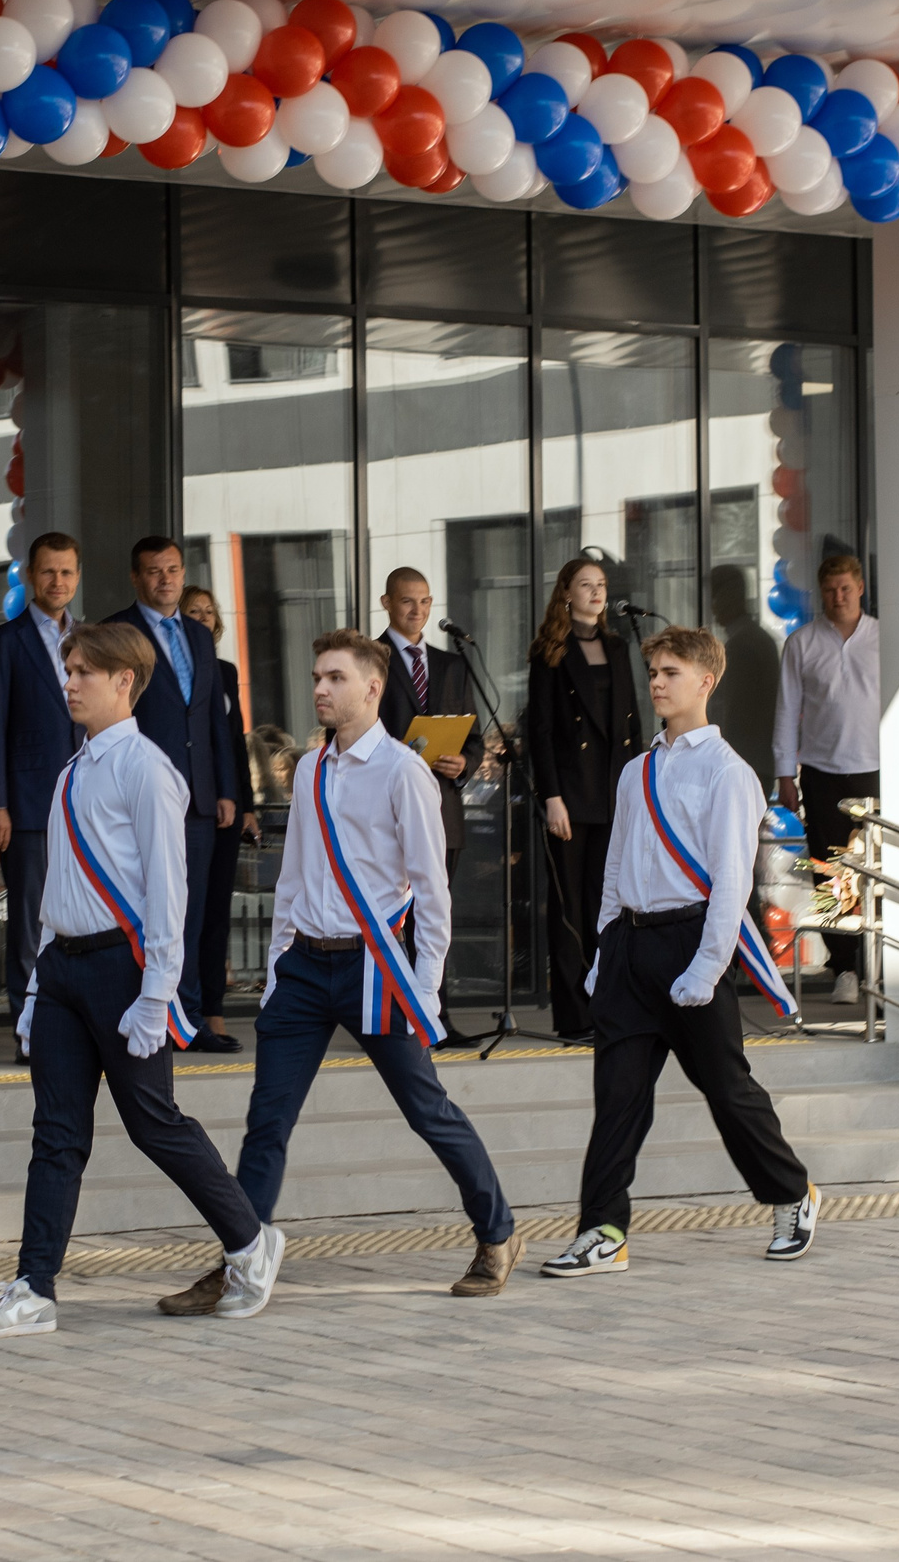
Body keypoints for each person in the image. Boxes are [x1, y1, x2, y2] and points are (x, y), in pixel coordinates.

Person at [159, 631, 520, 1317]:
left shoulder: (402, 771)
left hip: (374, 965)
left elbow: (431, 887)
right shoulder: (312, 768)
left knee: (427, 1111)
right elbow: (293, 877)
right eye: (317, 676)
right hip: (303, 969)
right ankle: (241, 1260)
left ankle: (497, 1233)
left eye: (334, 677)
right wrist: (274, 970)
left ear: (371, 689)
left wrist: (424, 986)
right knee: (266, 1122)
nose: (320, 688)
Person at [0, 622, 282, 1340]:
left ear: (123, 683)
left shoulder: (146, 769)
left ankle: (251, 1243)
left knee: (153, 1124)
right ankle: (34, 1287)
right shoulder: (75, 769)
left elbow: (172, 892)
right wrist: (37, 986)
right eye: (68, 669)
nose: (69, 682)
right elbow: (57, 890)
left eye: (82, 672)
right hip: (66, 969)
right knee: (57, 1133)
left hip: (122, 968)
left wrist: (158, 993)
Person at [541, 626, 818, 1279]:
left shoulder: (728, 773)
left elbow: (731, 882)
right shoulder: (637, 770)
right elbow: (614, 865)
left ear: (706, 681)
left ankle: (791, 1195)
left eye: (671, 671)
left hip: (693, 942)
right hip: (631, 948)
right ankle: (603, 1231)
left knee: (726, 1089)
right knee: (618, 1098)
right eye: (653, 672)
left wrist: (706, 965)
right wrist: (607, 945)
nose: (657, 683)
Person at [107, 538, 234, 1033]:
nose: (165, 580)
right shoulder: (117, 632)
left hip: (200, 799)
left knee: (193, 911)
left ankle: (188, 1017)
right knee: (147, 906)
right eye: (154, 572)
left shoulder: (200, 637)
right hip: (142, 793)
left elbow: (210, 723)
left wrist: (224, 789)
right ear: (137, 578)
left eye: (174, 570)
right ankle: (147, 1011)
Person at [523, 560, 641, 1040]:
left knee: (606, 904)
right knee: (569, 906)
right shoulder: (549, 650)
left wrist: (637, 789)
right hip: (569, 796)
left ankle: (607, 1007)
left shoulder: (617, 644)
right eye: (586, 585)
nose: (596, 593)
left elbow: (630, 724)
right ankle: (574, 1015)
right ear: (566, 593)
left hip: (612, 793)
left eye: (602, 585)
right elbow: (541, 731)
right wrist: (551, 796)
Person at [0, 533, 81, 1066]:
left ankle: (75, 1023)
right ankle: (29, 1027)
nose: (57, 582)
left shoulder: (94, 639)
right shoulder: (6, 643)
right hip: (29, 804)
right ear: (29, 576)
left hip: (89, 807)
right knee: (29, 922)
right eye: (48, 572)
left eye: (66, 572)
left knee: (86, 918)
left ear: (77, 576)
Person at [775, 554, 879, 1005]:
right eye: (831, 590)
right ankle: (846, 968)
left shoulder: (884, 637)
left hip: (878, 769)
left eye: (846, 588)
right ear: (821, 593)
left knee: (882, 872)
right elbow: (786, 709)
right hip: (820, 772)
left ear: (860, 588)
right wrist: (785, 772)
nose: (838, 597)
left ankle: (884, 965)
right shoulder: (801, 643)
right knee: (829, 873)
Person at [180, 584, 259, 1051]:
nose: (204, 618)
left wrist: (244, 802)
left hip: (225, 809)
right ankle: (180, 1010)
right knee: (183, 915)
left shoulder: (225, 672)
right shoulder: (170, 668)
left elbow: (235, 740)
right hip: (185, 808)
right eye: (194, 611)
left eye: (209, 612)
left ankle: (212, 1009)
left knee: (215, 918)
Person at [377, 568, 483, 882]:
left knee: (435, 920)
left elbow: (474, 739)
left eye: (424, 601)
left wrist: (464, 764)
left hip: (443, 811)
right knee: (392, 919)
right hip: (389, 810)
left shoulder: (452, 665)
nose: (417, 610)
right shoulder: (369, 659)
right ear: (386, 602)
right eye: (407, 601)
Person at [708, 563, 781, 792]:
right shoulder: (752, 639)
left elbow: (732, 712)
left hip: (743, 764)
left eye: (714, 597)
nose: (712, 606)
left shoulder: (743, 645)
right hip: (750, 763)